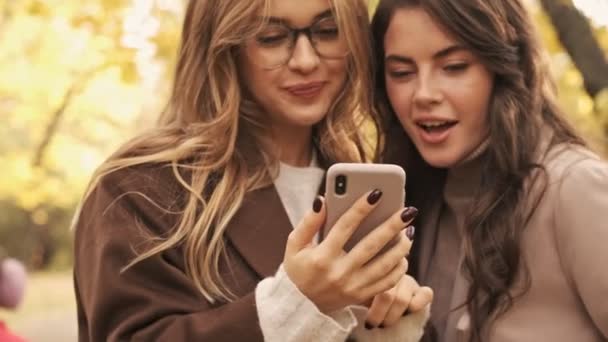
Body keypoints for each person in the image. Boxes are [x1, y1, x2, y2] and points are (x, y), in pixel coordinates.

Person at [73, 0, 433, 341]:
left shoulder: (362, 187)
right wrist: (295, 306)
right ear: (223, 46)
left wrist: (385, 328)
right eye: (271, 37)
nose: (306, 60)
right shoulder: (140, 189)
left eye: (327, 31)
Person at [371, 0, 608, 341]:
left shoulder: (575, 188)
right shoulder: (418, 203)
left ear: (503, 68)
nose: (423, 94)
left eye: (453, 67)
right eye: (402, 73)